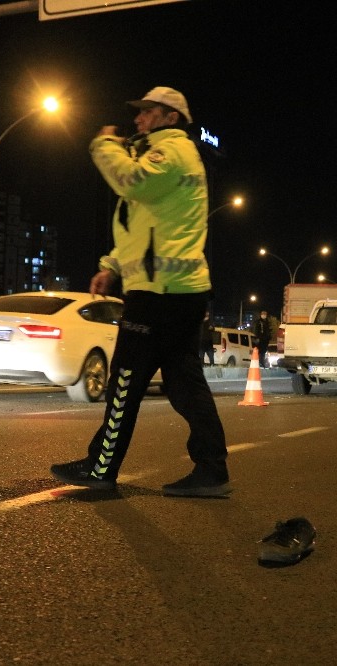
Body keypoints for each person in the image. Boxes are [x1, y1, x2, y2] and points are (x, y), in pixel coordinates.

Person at [51, 86, 230, 498]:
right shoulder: (163, 156)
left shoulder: (172, 154)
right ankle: (211, 469)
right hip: (175, 292)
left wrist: (103, 144)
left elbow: (129, 183)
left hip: (161, 295)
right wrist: (111, 267)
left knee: (126, 380)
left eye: (147, 112)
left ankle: (101, 468)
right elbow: (145, 228)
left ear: (170, 118)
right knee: (185, 384)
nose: (137, 119)